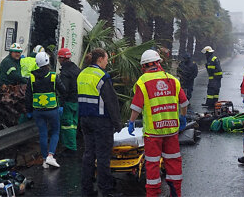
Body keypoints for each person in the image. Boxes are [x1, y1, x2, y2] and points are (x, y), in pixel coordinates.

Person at [128, 50, 189, 197]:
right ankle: (175, 193)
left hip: (153, 133)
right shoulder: (173, 80)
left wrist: (131, 122)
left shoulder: (143, 81)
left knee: (153, 165)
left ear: (144, 66)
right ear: (159, 63)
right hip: (171, 131)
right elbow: (184, 102)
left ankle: (153, 194)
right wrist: (183, 117)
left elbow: (136, 107)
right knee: (173, 162)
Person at [78, 48, 122, 197]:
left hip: (84, 120)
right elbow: (111, 102)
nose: (107, 61)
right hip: (101, 121)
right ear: (100, 59)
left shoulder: (82, 74)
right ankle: (106, 191)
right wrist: (117, 124)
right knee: (103, 157)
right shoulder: (102, 76)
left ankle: (87, 190)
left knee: (88, 155)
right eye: (106, 58)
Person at [26, 52, 67, 168]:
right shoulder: (54, 76)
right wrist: (61, 105)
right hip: (52, 110)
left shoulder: (32, 78)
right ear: (48, 62)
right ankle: (50, 155)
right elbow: (63, 91)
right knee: (55, 132)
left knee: (43, 134)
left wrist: (28, 110)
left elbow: (28, 96)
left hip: (37, 111)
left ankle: (45, 160)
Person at [57, 48, 81, 154]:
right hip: (77, 100)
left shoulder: (65, 73)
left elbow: (64, 90)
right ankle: (73, 143)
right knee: (74, 124)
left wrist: (61, 103)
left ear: (61, 59)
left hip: (69, 102)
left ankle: (70, 147)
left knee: (67, 125)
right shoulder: (76, 69)